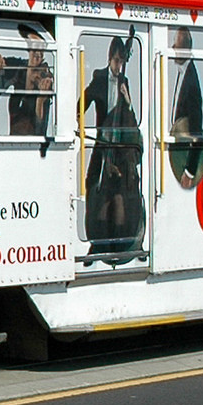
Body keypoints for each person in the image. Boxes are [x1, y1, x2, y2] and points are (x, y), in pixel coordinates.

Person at [81, 31, 144, 250]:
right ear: (110, 58)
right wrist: (79, 119)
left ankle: (124, 241)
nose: (119, 66)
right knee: (94, 185)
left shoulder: (124, 80)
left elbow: (131, 118)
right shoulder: (99, 77)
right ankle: (95, 239)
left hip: (120, 147)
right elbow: (84, 100)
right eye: (117, 61)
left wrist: (127, 100)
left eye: (122, 61)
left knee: (120, 195)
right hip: (103, 143)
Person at [0, 22, 57, 136]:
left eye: (41, 51)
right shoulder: (19, 68)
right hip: (13, 137)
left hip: (32, 143)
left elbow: (40, 128)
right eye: (34, 49)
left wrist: (40, 100)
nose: (37, 55)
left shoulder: (45, 80)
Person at [166, 26, 203, 190]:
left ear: (185, 49)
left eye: (176, 45)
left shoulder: (191, 83)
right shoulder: (183, 73)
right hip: (176, 155)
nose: (173, 48)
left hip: (183, 161)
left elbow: (197, 130)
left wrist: (190, 172)